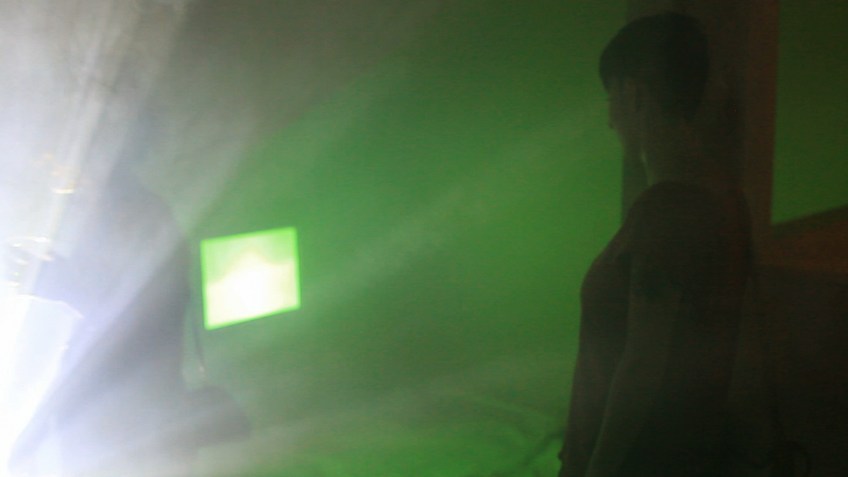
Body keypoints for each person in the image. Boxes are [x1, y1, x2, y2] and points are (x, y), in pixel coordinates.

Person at [558, 13, 753, 477]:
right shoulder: (725, 196)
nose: (609, 119)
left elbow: (643, 368)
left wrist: (597, 470)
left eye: (611, 98)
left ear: (633, 93)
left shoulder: (667, 211)